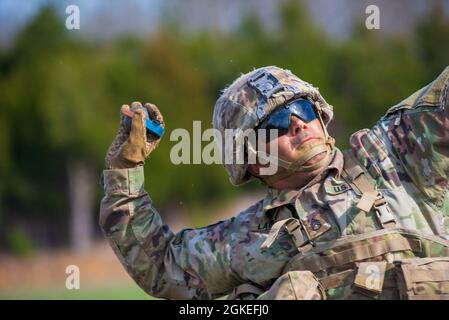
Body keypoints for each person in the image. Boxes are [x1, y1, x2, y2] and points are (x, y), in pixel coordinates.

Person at [100, 65, 449, 300]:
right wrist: (124, 170)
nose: (298, 124)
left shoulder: (391, 152)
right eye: (278, 121)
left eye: (306, 111)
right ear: (249, 159)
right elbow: (162, 265)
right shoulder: (246, 239)